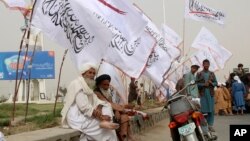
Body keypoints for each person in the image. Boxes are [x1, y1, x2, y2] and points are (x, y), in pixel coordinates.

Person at [61, 63, 118, 141]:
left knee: (106, 106)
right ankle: (104, 125)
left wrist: (99, 107)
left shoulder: (87, 86)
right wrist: (101, 117)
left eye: (94, 73)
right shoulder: (77, 84)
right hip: (77, 116)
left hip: (87, 114)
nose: (92, 75)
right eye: (90, 72)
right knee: (108, 131)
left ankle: (104, 124)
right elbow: (84, 107)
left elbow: (98, 100)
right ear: (83, 73)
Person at [94, 74, 134, 141]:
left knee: (124, 116)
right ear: (99, 85)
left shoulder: (108, 92)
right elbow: (109, 104)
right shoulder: (97, 93)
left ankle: (125, 136)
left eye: (108, 85)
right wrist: (122, 108)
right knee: (123, 116)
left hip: (112, 111)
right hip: (102, 114)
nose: (106, 87)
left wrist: (117, 111)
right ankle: (126, 137)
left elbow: (113, 104)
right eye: (104, 84)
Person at [196, 59, 217, 132]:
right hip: (203, 94)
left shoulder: (212, 73)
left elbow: (216, 83)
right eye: (205, 64)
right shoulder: (199, 74)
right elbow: (196, 84)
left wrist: (212, 83)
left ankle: (210, 125)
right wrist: (203, 84)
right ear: (203, 65)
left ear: (209, 65)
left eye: (207, 64)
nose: (206, 65)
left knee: (211, 110)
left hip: (210, 94)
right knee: (203, 111)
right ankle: (203, 126)